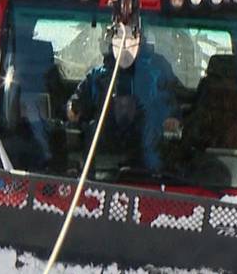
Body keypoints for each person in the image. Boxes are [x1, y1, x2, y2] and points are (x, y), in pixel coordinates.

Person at [67, 30, 181, 172]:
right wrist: (74, 108)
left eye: (129, 37)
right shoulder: (98, 76)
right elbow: (77, 104)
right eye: (118, 36)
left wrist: (172, 117)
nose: (124, 43)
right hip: (104, 160)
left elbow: (171, 102)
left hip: (149, 163)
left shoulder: (157, 71)